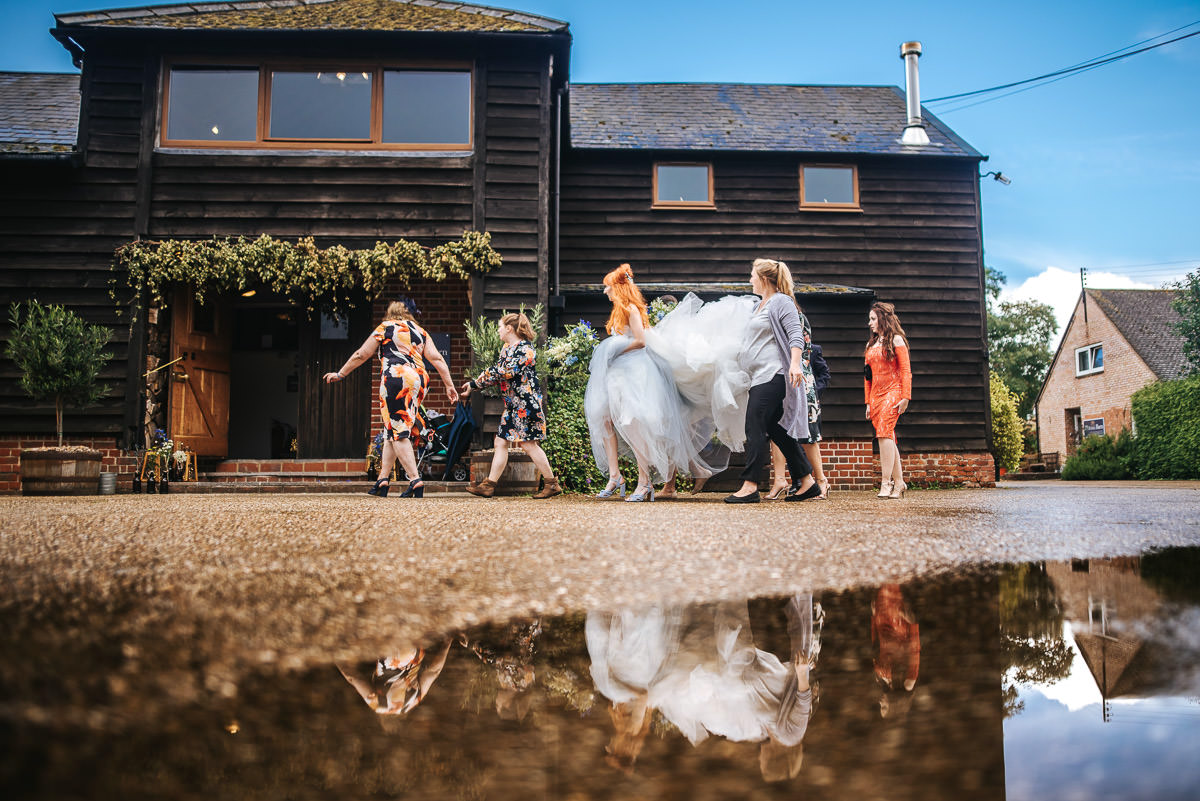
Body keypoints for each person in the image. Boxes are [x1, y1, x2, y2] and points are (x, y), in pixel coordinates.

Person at [585, 264, 723, 502]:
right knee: (608, 419)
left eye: (607, 287)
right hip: (619, 374)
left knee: (634, 425)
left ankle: (644, 481)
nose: (605, 291)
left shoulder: (631, 309)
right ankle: (619, 476)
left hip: (634, 373)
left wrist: (615, 351)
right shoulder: (619, 310)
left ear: (618, 288)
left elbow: (640, 341)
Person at [324, 299, 458, 499]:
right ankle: (383, 479)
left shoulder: (385, 328)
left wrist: (341, 374)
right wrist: (449, 385)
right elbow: (437, 359)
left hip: (397, 378)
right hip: (420, 380)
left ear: (389, 313)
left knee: (398, 431)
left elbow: (362, 354)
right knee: (392, 429)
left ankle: (415, 480)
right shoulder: (421, 331)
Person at [726, 259, 819, 504]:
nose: (750, 280)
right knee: (777, 428)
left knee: (754, 423)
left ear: (764, 279)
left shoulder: (781, 301)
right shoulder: (759, 305)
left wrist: (795, 363)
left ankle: (750, 485)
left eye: (752, 275)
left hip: (774, 373)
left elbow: (795, 333)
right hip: (759, 375)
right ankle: (807, 481)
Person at [461, 312, 561, 499]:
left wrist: (475, 383)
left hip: (526, 405)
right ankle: (489, 485)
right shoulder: (507, 348)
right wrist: (475, 384)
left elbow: (504, 372)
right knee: (500, 442)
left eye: (500, 326)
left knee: (528, 444)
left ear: (509, 328)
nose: (498, 330)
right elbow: (499, 371)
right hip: (513, 405)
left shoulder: (525, 350)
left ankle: (551, 483)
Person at [766, 320, 832, 500]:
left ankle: (821, 481)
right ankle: (781, 480)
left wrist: (813, 391)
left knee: (808, 437)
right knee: (778, 432)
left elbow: (822, 374)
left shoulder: (796, 319)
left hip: (803, 386)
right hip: (785, 384)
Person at [864, 301, 912, 499]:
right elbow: (867, 376)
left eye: (873, 319)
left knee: (884, 434)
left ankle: (886, 483)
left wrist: (905, 396)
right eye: (869, 319)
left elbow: (906, 371)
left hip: (893, 391)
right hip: (875, 395)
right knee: (888, 437)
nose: (870, 323)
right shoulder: (871, 344)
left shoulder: (897, 341)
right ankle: (900, 483)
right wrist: (868, 402)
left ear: (883, 319)